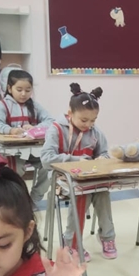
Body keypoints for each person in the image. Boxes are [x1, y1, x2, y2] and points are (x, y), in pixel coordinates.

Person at [41, 84, 117, 260]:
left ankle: (107, 237)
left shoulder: (95, 131)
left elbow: (104, 153)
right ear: (70, 113)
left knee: (102, 191)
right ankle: (71, 242)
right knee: (84, 193)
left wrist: (102, 159)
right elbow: (46, 159)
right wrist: (76, 161)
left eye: (93, 120)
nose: (89, 125)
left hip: (88, 178)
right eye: (84, 120)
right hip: (62, 179)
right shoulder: (56, 129)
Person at [0, 69, 54, 202]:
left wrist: (35, 128)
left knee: (49, 165)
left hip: (33, 150)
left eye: (28, 90)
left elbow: (50, 121)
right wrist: (10, 130)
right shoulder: (3, 105)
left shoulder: (34, 105)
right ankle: (17, 200)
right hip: (12, 152)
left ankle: (34, 199)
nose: (24, 94)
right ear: (9, 88)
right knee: (16, 171)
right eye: (19, 90)